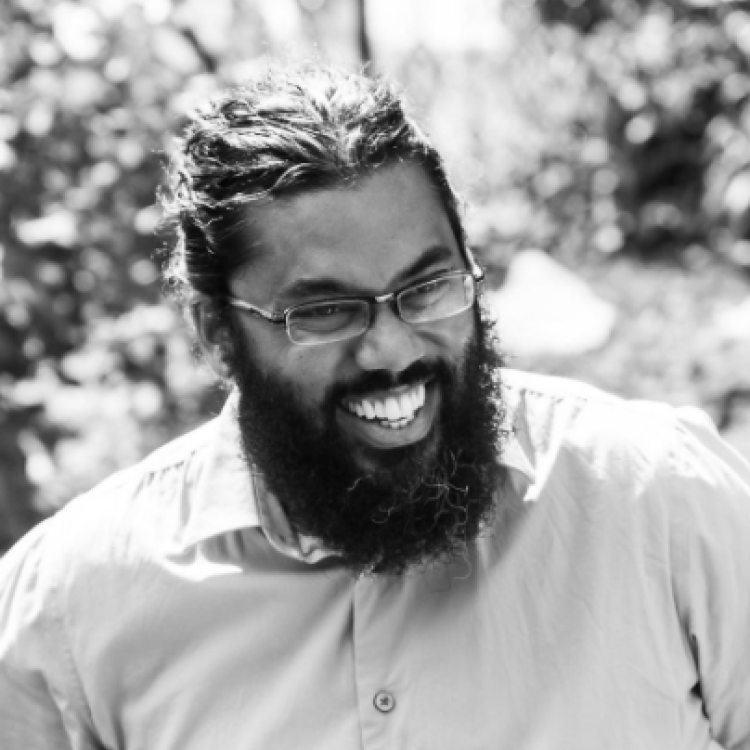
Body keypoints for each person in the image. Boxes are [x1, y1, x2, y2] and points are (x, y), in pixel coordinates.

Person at [2, 62, 750, 750]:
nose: (393, 351)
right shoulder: (71, 607)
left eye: (427, 289)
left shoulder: (661, 505)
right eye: (325, 311)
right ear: (216, 335)